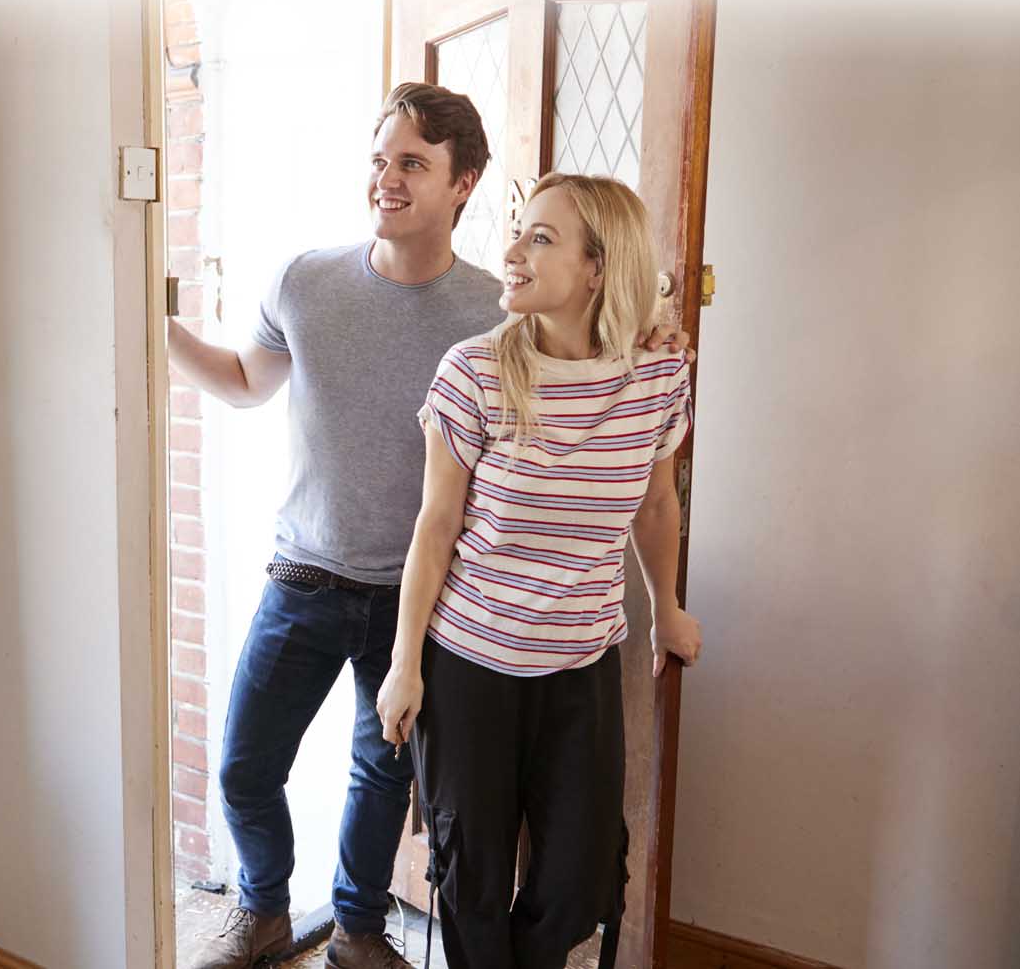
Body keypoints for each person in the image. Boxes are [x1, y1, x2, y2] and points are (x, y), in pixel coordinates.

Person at [173, 84, 684, 969]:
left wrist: (653, 320)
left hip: (431, 600)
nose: (387, 179)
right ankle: (261, 908)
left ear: (463, 183)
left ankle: (358, 933)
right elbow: (245, 383)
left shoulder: (501, 308)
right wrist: (155, 324)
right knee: (246, 767)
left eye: (411, 162)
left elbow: (602, 354)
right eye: (380, 159)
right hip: (311, 576)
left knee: (384, 781)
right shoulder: (307, 282)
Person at [375, 173, 705, 969]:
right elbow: (435, 527)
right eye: (517, 231)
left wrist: (666, 606)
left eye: (539, 238)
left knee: (578, 880)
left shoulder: (656, 374)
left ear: (598, 267)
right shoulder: (473, 373)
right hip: (468, 662)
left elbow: (655, 507)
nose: (511, 253)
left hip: (579, 663)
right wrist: (404, 664)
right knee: (472, 878)